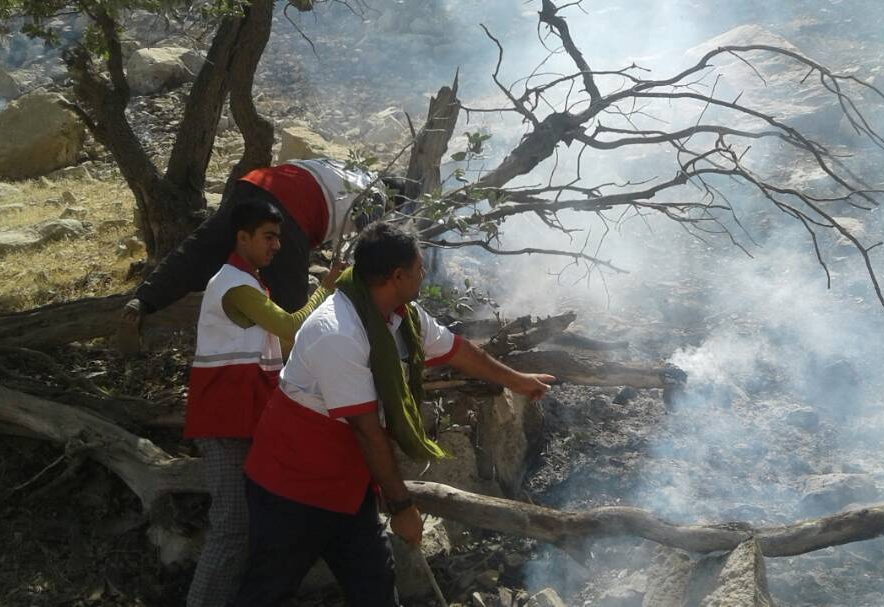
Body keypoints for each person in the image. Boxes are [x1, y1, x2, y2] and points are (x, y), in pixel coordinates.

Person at [233, 222, 556, 607]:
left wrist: (518, 381)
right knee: (266, 592)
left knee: (375, 587)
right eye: (420, 267)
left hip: (348, 483)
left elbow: (459, 350)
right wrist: (402, 506)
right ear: (397, 276)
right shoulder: (337, 332)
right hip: (292, 487)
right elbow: (367, 430)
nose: (424, 273)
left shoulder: (401, 315)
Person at [184, 197, 344, 607]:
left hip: (245, 422)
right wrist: (325, 288)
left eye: (279, 237)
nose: (276, 245)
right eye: (269, 237)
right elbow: (290, 326)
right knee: (231, 530)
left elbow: (283, 341)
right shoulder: (234, 285)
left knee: (252, 527)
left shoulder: (248, 283)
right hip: (225, 425)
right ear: (243, 237)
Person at [116, 158, 400, 353]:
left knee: (202, 248)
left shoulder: (348, 168)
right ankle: (286, 381)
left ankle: (143, 301)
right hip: (292, 210)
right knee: (291, 306)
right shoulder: (375, 193)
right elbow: (373, 246)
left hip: (255, 184)